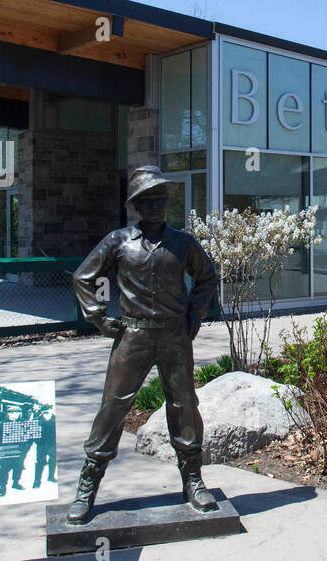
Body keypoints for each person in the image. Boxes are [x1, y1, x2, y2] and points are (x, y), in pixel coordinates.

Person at [67, 166, 221, 525]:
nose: (154, 205)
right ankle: (88, 484)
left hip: (173, 336)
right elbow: (83, 277)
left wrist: (194, 316)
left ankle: (193, 479)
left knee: (184, 403)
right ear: (135, 205)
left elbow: (207, 276)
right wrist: (99, 317)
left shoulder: (183, 243)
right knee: (113, 407)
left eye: (159, 199)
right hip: (132, 335)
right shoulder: (118, 241)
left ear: (167, 202)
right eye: (146, 200)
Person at [32, 407, 56, 489]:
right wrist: (37, 441)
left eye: (48, 410)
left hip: (53, 444)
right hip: (41, 445)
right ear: (42, 412)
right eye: (44, 411)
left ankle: (51, 476)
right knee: (40, 462)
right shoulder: (37, 420)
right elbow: (32, 433)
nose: (46, 412)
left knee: (53, 460)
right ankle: (37, 481)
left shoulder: (55, 419)